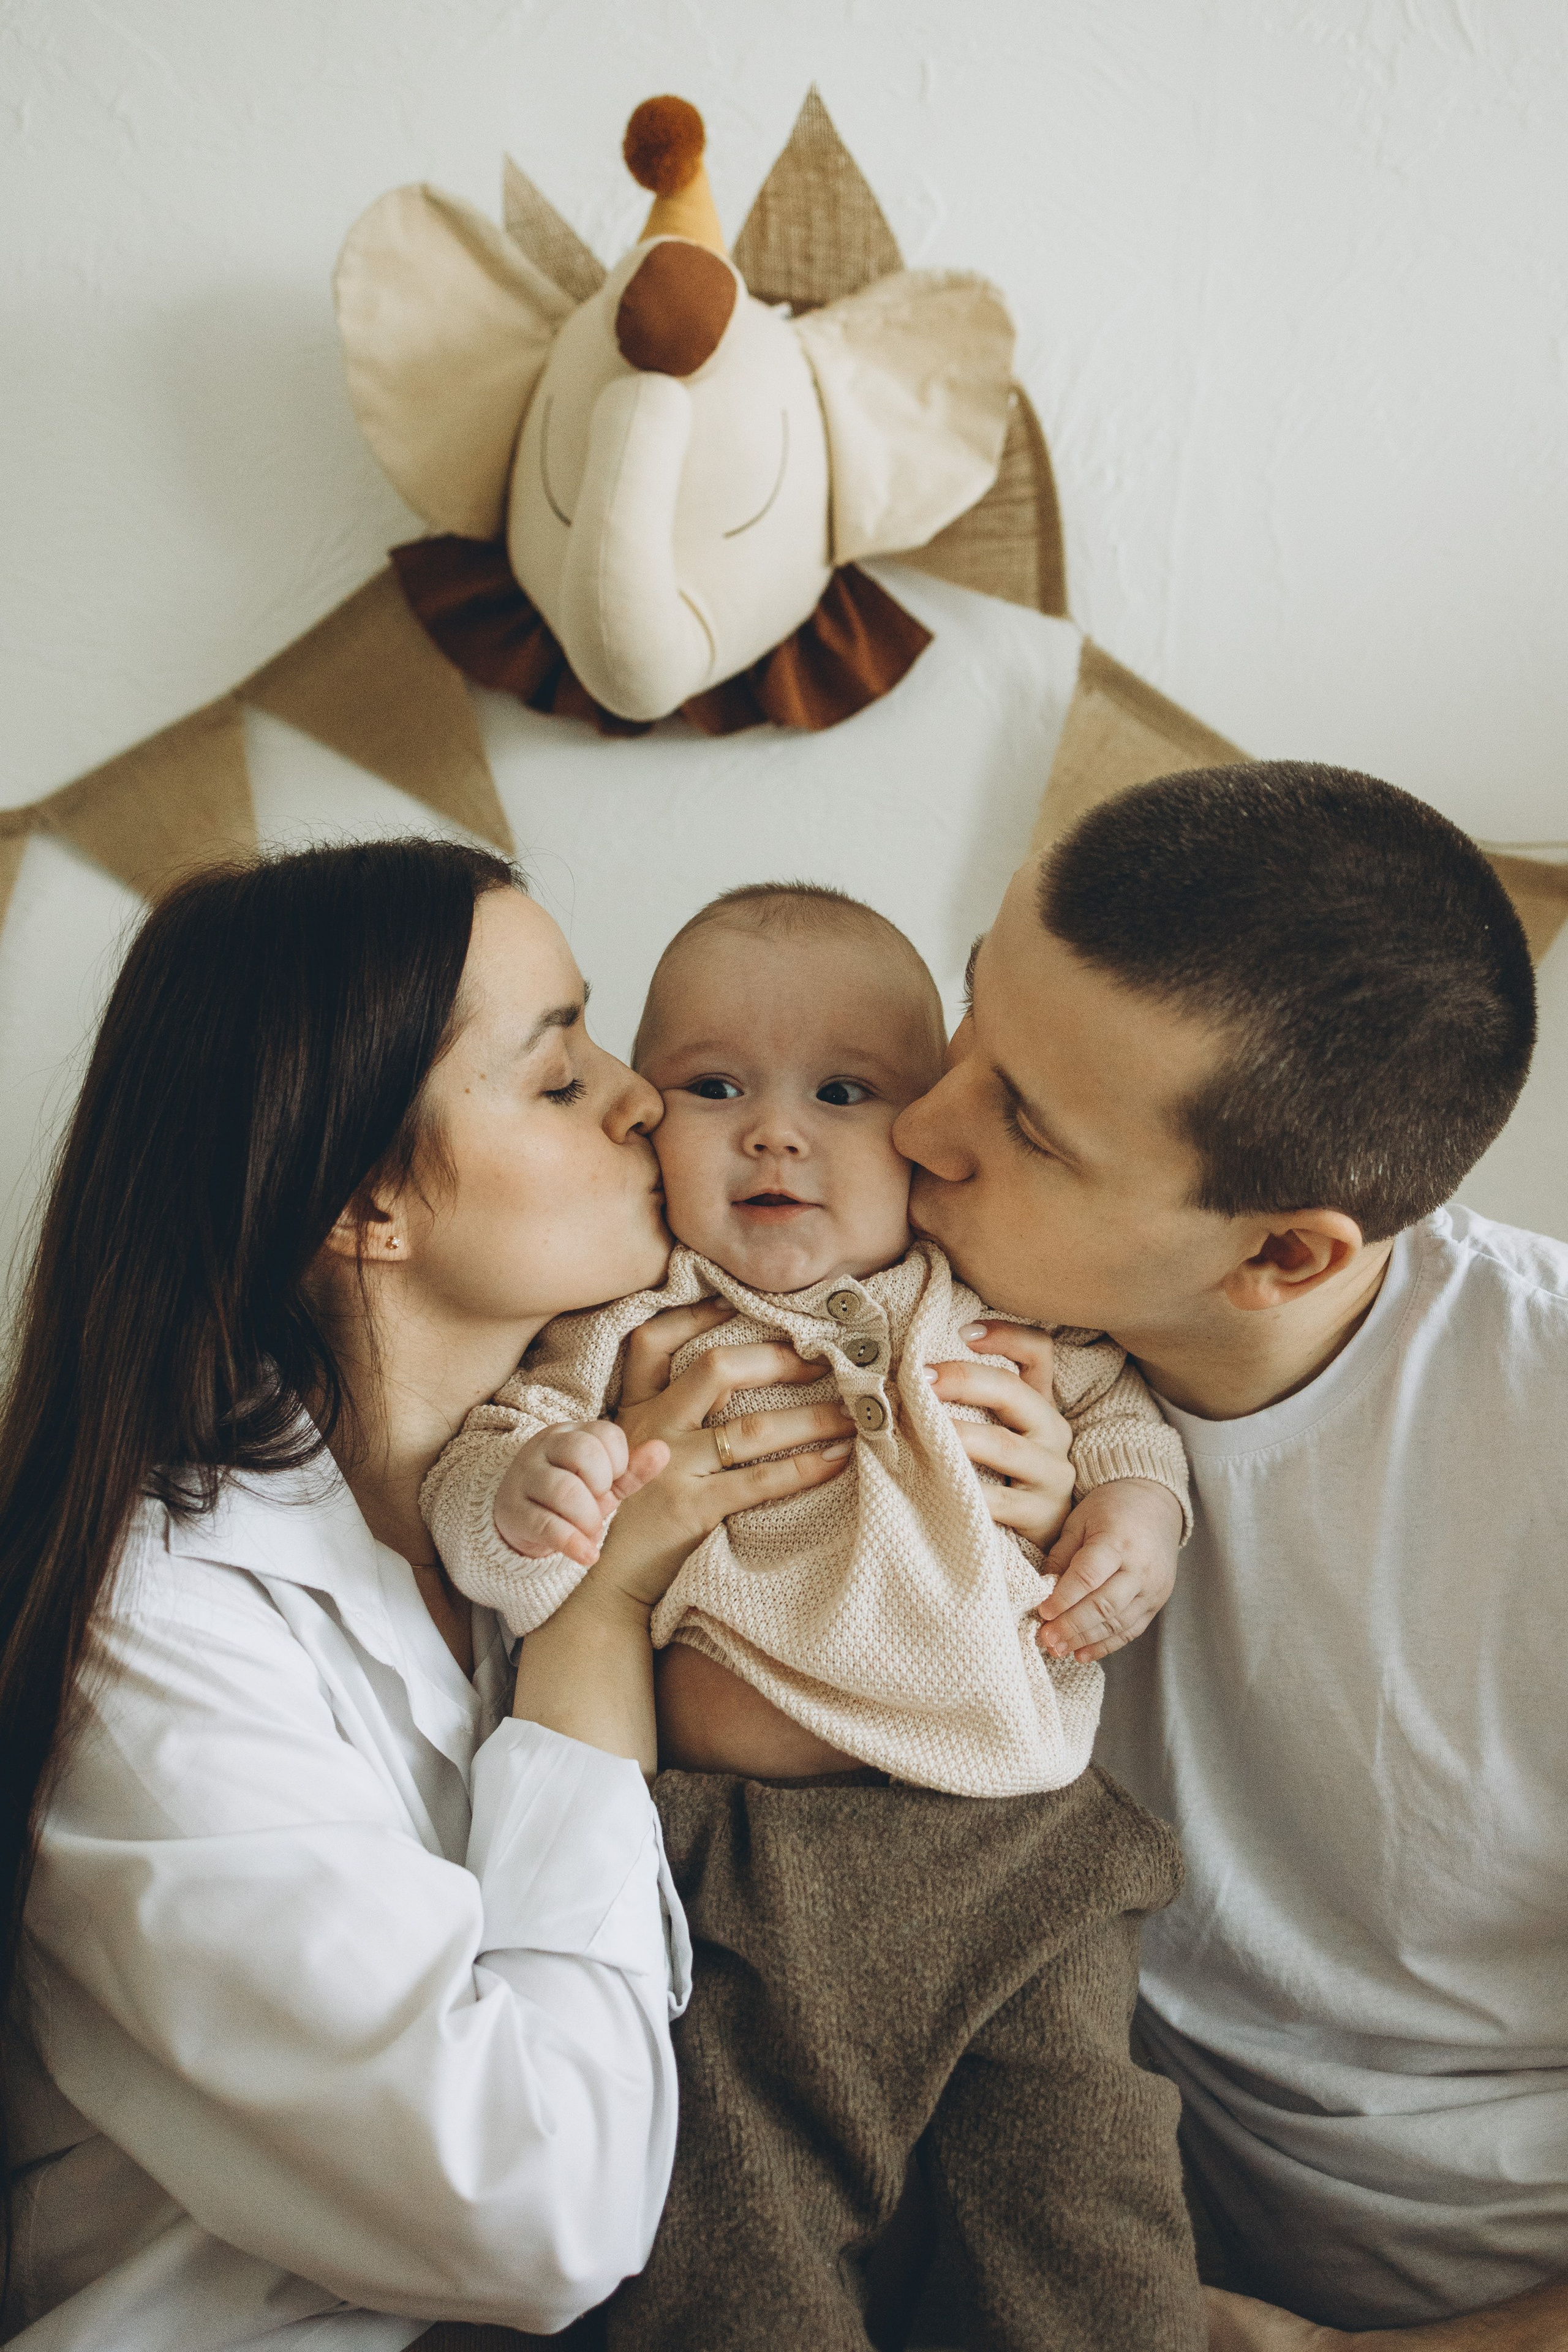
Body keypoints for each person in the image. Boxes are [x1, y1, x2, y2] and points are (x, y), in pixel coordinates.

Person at [0, 839, 858, 2351]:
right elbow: (537, 2212)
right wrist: (591, 1627)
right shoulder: (151, 1638)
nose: (643, 1097)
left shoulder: (581, 1450)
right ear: (369, 1205)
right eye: (555, 1074)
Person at [423, 881, 1207, 2352]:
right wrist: (534, 1489)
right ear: (646, 1118)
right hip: (727, 1865)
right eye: (712, 1087)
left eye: (844, 1092)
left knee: (1078, 2197)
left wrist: (1132, 1519)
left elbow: (1123, 1425)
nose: (773, 1130)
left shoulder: (990, 1303)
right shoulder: (627, 1319)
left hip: (1010, 1840)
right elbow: (490, 1469)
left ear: (923, 1136)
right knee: (728, 2216)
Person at [892, 763, 1568, 2350]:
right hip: (1050, 2225)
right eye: (967, 1014)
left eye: (1026, 1128)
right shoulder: (890, 1299)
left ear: (1283, 1255)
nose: (921, 1121)